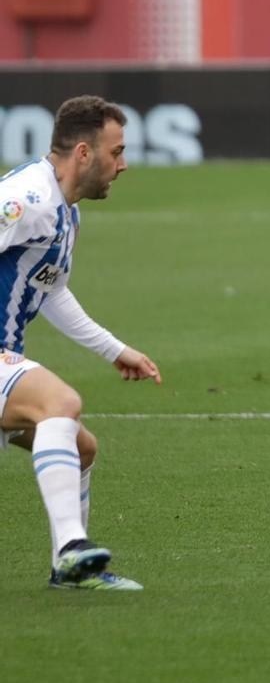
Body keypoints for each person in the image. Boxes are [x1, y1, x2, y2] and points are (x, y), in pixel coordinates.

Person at [1, 96, 161, 592]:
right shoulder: (27, 198)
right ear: (85, 153)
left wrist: (116, 350)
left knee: (80, 445)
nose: (124, 164)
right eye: (117, 152)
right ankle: (73, 547)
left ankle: (69, 569)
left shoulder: (64, 213)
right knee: (61, 403)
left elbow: (53, 292)